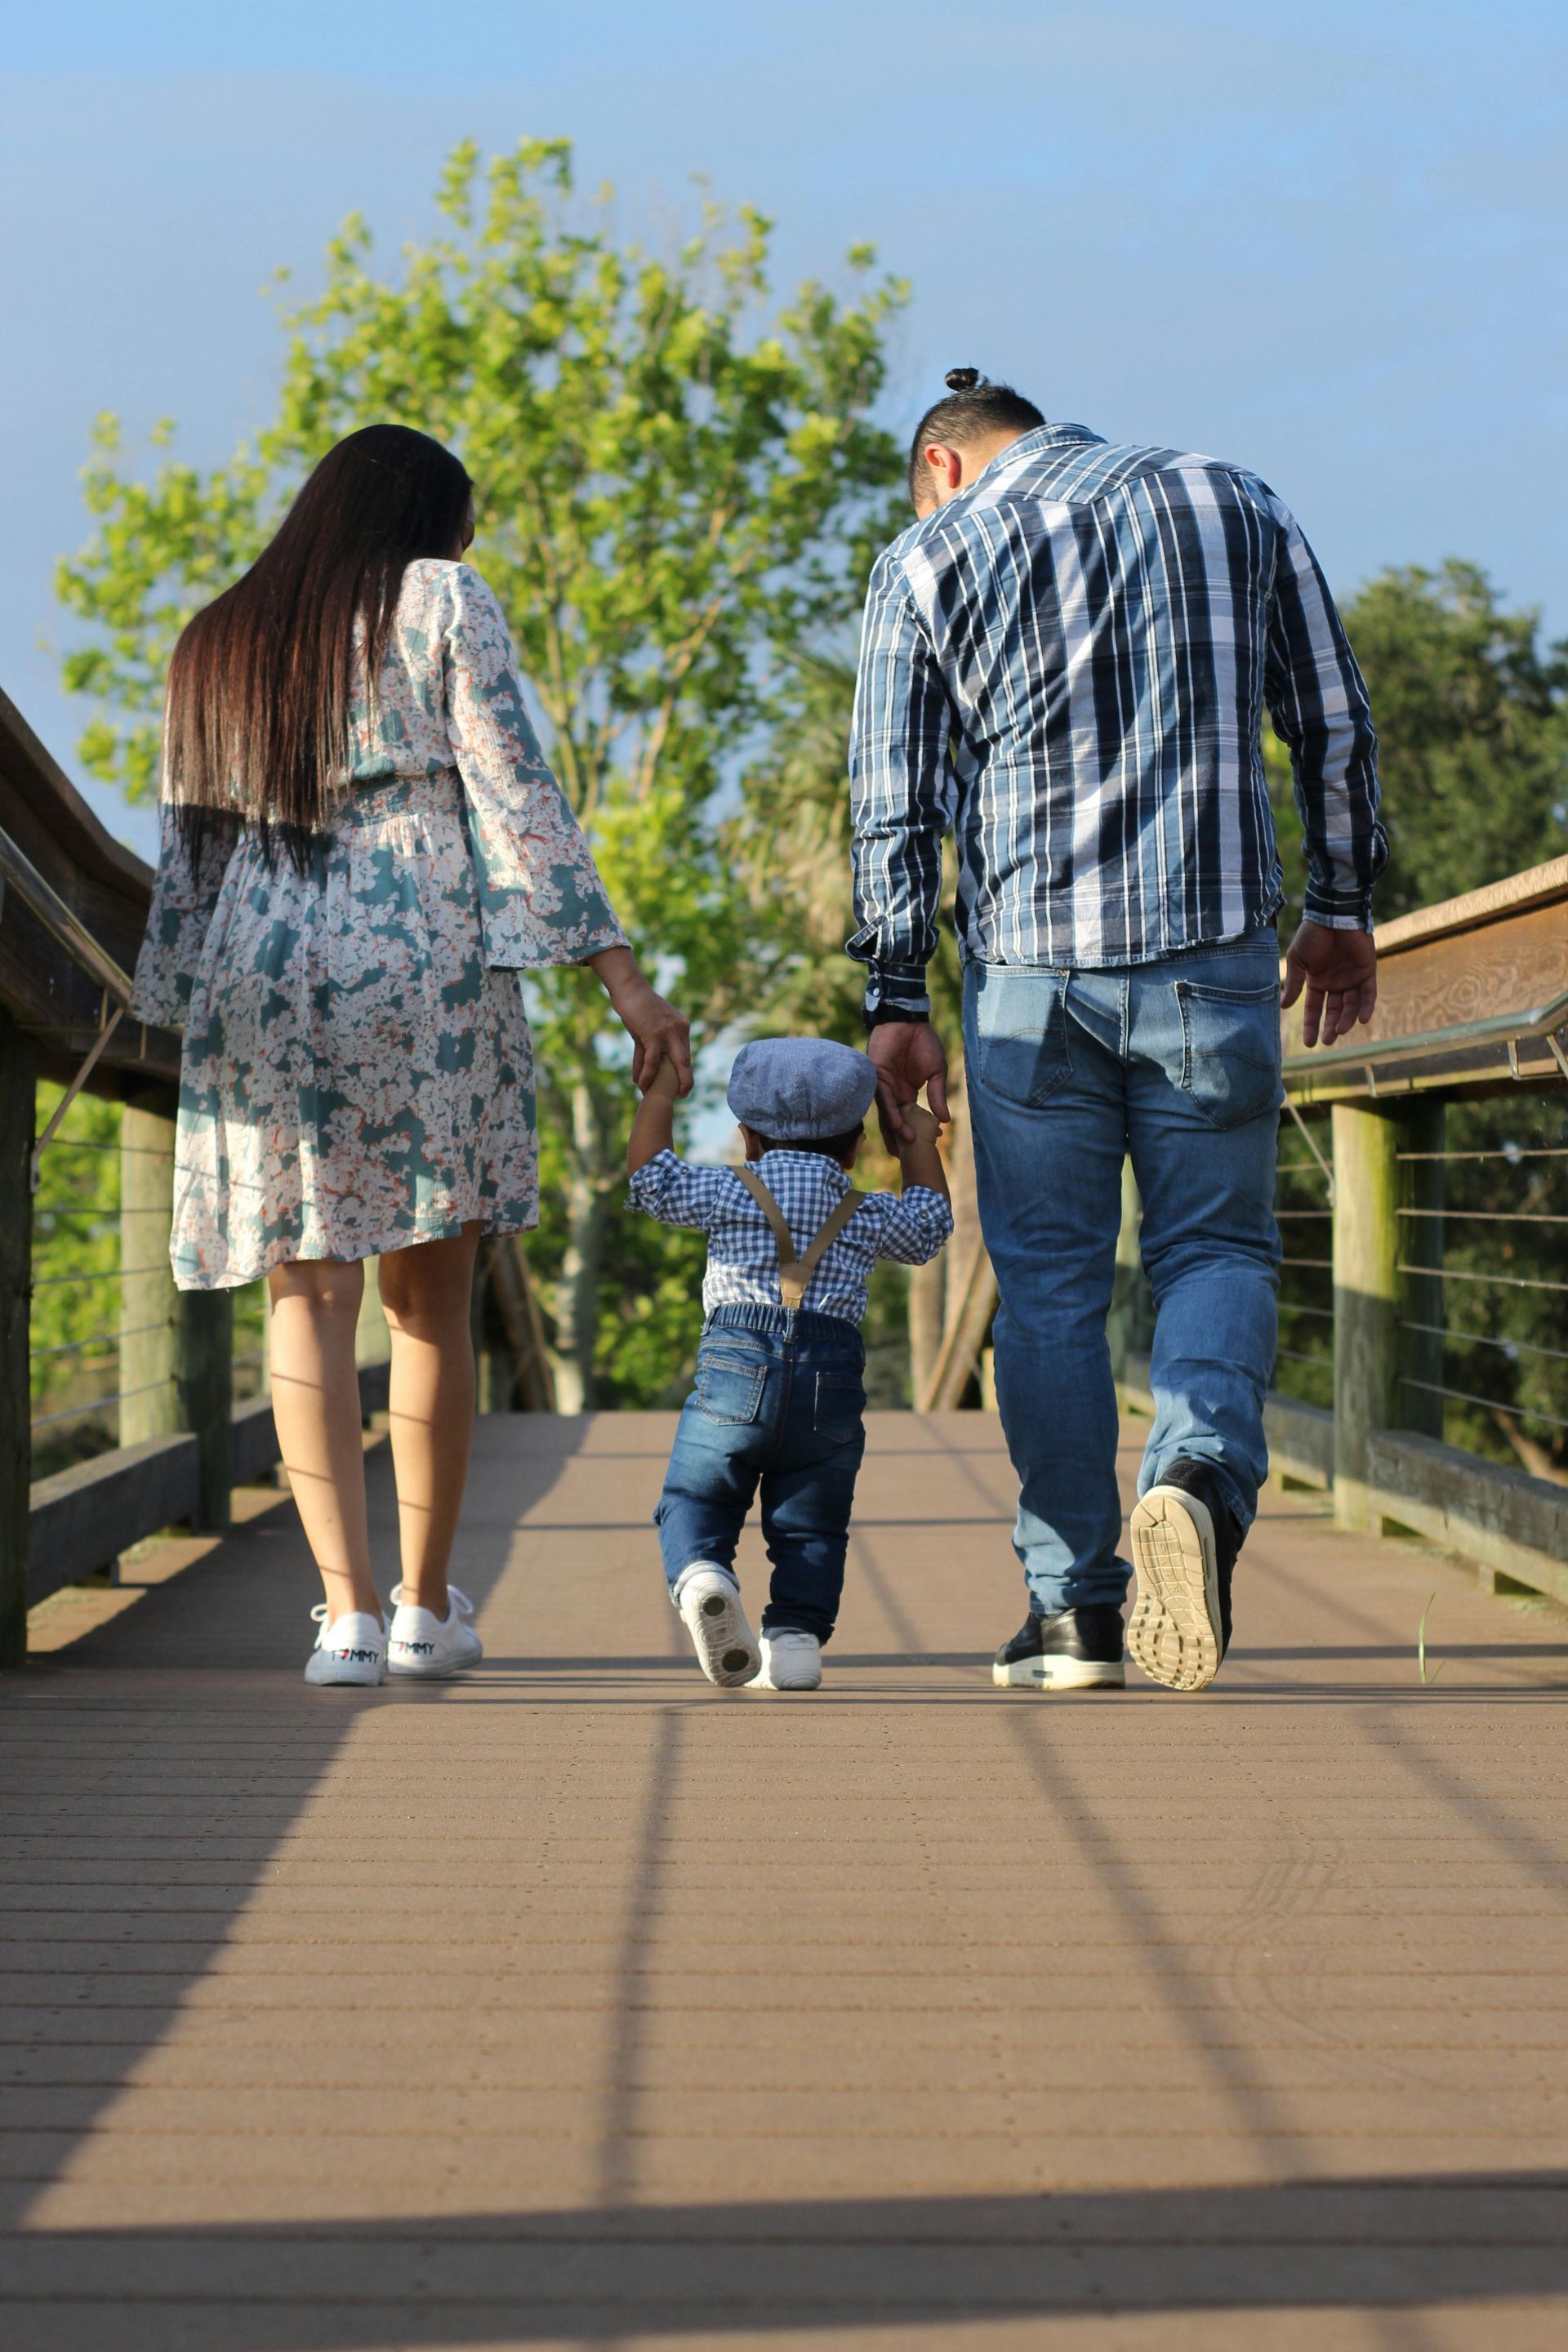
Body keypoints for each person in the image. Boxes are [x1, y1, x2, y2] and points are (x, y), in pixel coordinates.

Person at [849, 369, 1386, 1695]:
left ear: (943, 465)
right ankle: (1197, 1472)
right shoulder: (1230, 497)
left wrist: (896, 997)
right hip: (1212, 966)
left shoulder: (928, 557)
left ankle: (1075, 1612)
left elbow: (891, 801)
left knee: (1047, 1289)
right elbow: (1330, 717)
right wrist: (1343, 904)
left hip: (1032, 982)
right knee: (1212, 1245)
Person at [131, 423, 689, 1687]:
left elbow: (191, 859)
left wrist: (169, 1005)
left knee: (305, 1296)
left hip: (263, 966)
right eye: (467, 519)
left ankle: (343, 1620)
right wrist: (622, 978)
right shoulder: (437, 597)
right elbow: (514, 793)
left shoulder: (217, 636)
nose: (472, 541)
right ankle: (427, 1607)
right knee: (429, 1302)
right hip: (420, 949)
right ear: (429, 518)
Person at [628, 1037, 952, 1692]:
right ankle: (797, 1639)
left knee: (696, 1494)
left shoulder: (727, 1189)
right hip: (829, 1377)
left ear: (747, 1138)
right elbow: (928, 1227)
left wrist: (660, 1095)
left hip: (734, 1365)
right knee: (812, 1523)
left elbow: (651, 1183)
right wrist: (918, 1144)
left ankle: (703, 1575)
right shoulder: (863, 1213)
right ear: (858, 1145)